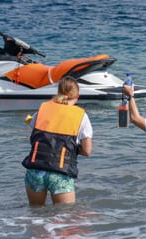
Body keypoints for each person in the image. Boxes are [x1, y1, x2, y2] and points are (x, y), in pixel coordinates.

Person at [22, 76, 93, 206]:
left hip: (35, 170)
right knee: (64, 220)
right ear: (77, 95)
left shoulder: (43, 109)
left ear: (58, 92)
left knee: (35, 214)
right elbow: (87, 151)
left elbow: (31, 128)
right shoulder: (81, 116)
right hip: (60, 173)